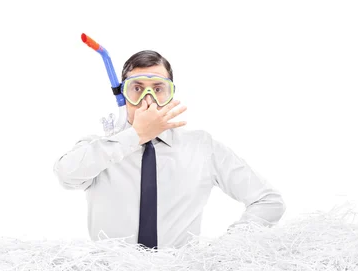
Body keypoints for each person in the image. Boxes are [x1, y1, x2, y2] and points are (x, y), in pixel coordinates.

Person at [53, 50, 286, 250]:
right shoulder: (100, 149)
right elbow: (66, 175)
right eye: (136, 88)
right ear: (122, 96)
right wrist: (135, 136)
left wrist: (223, 251)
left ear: (169, 94)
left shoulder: (201, 147)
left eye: (158, 88)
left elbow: (268, 201)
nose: (148, 98)